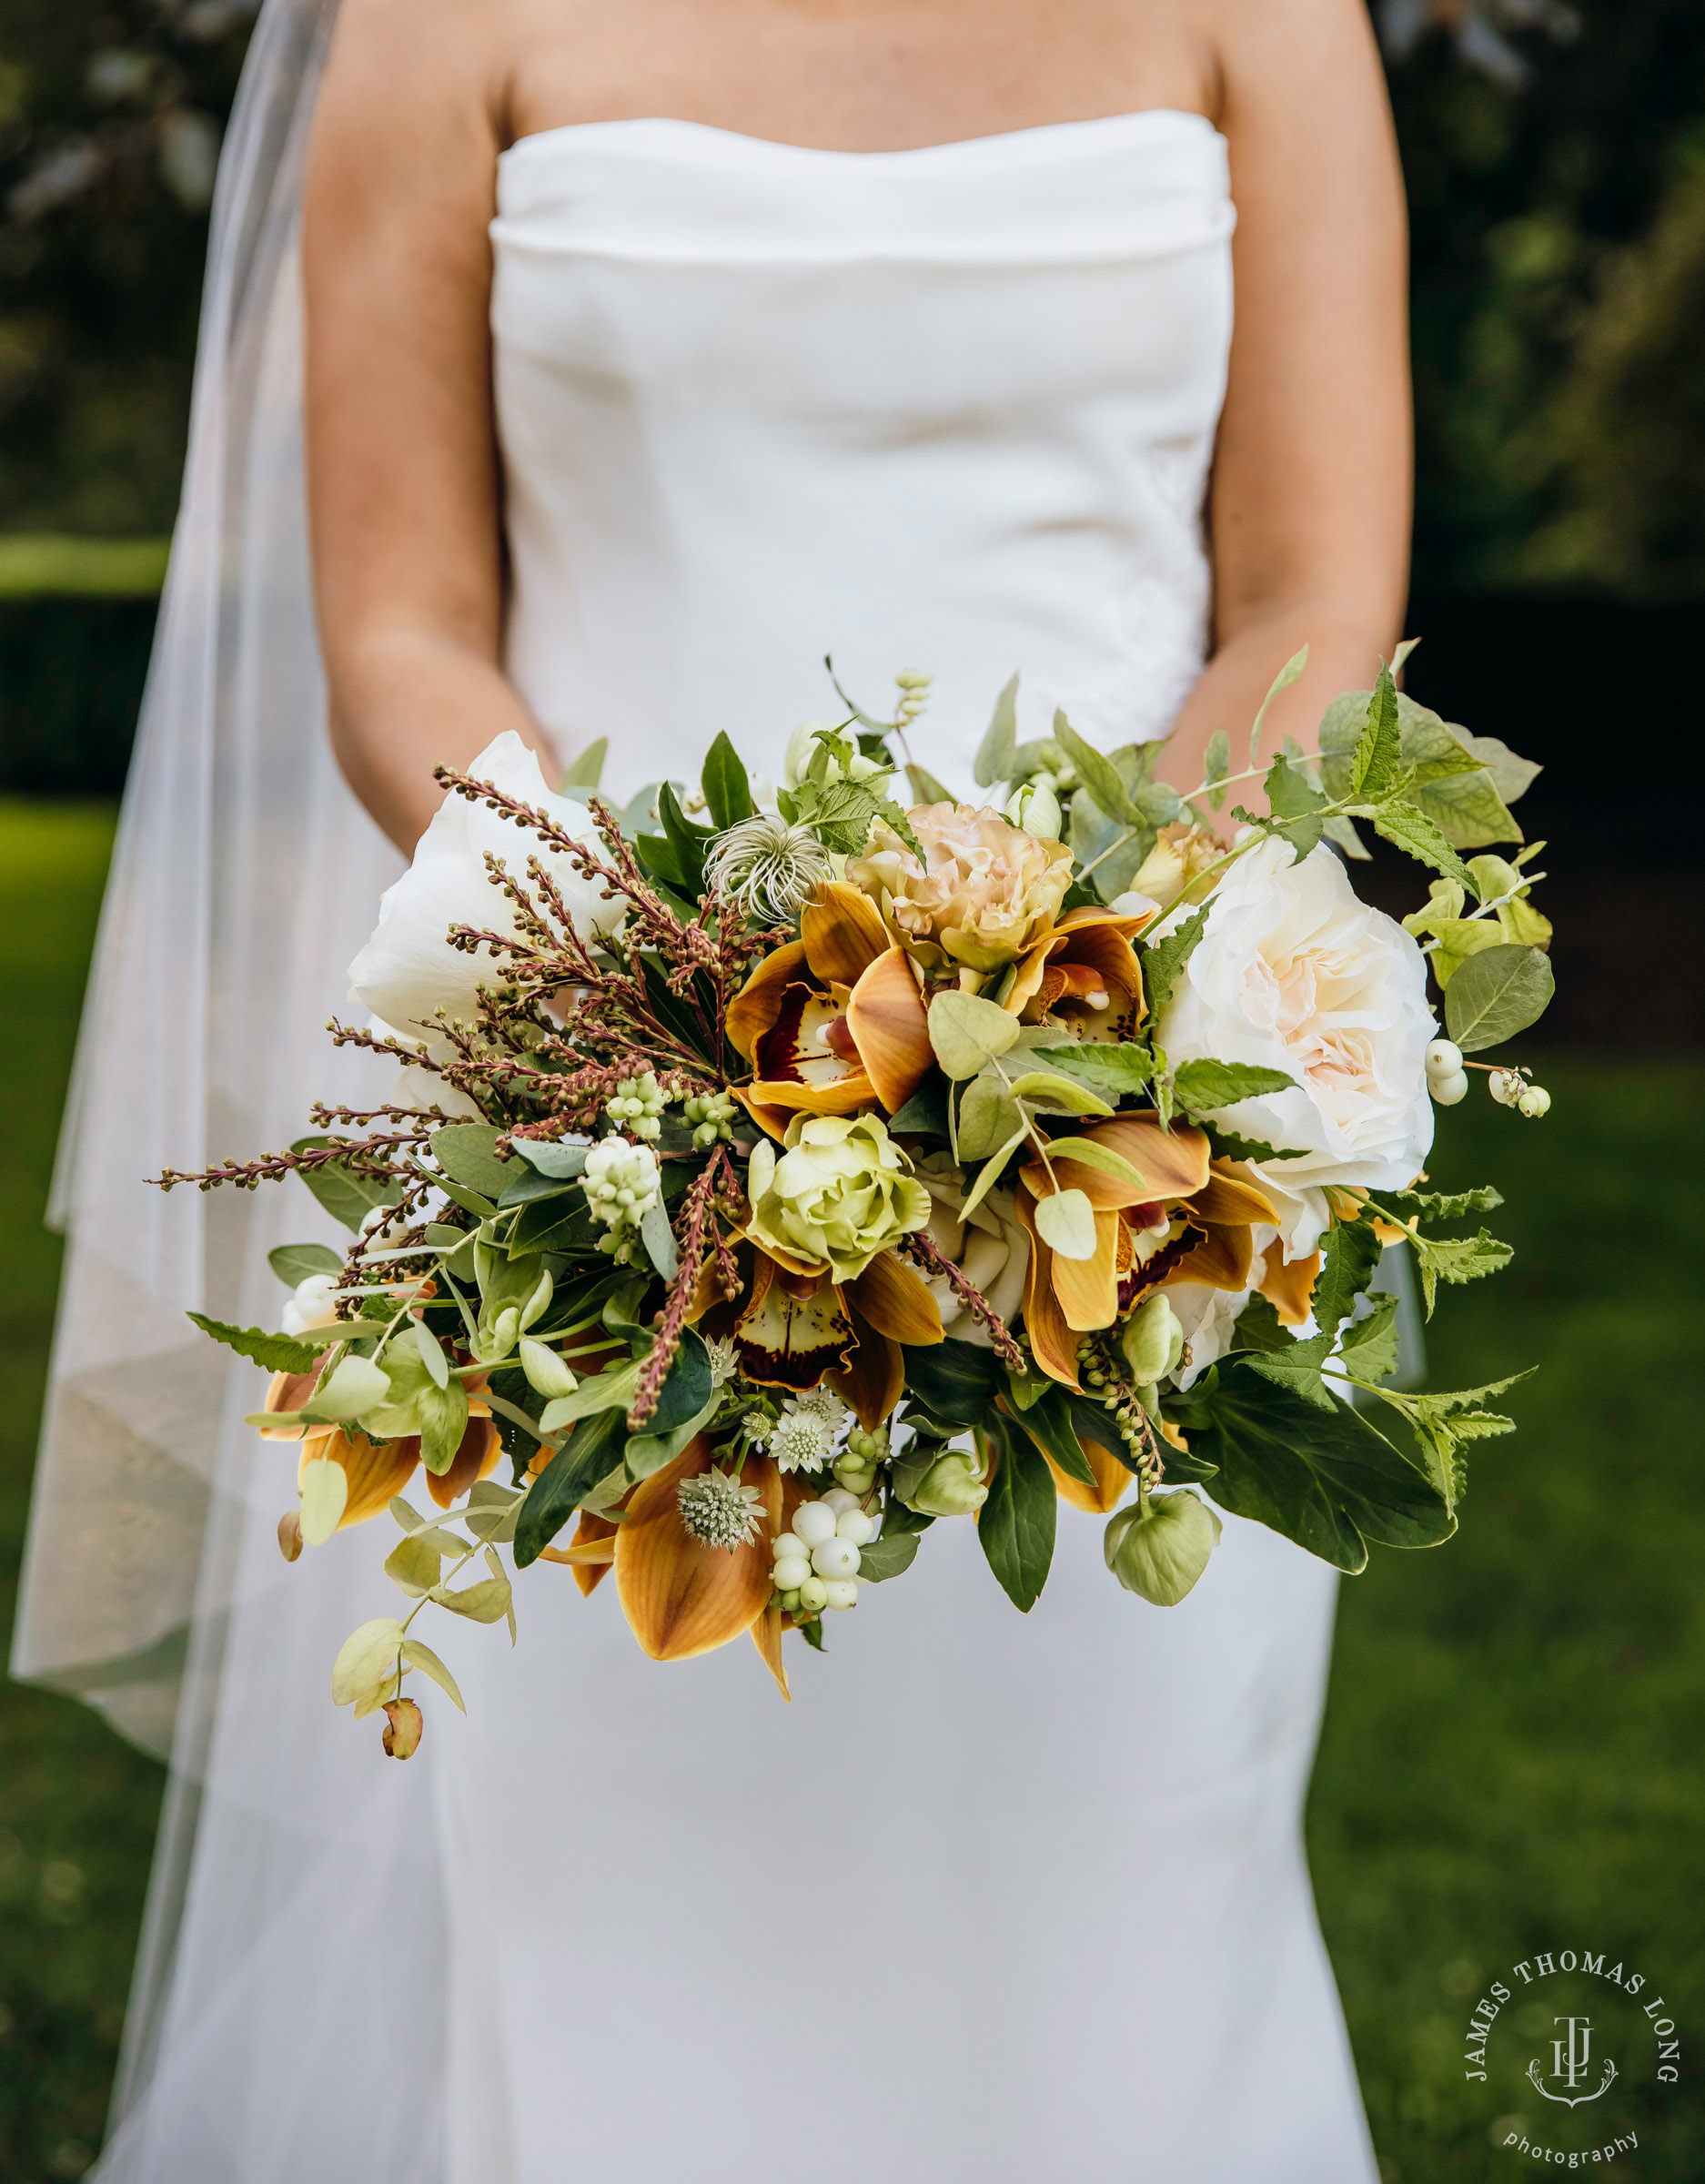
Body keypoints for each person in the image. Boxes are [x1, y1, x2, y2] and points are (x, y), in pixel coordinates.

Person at [16, 1, 1408, 2177]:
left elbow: (1311, 598)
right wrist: (663, 1027)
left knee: (1134, 1910)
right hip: (605, 1151)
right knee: (625, 1945)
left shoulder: (1271, 19)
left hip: (1132, 1163)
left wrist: (1084, 1002)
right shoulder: (435, 26)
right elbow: (401, 623)